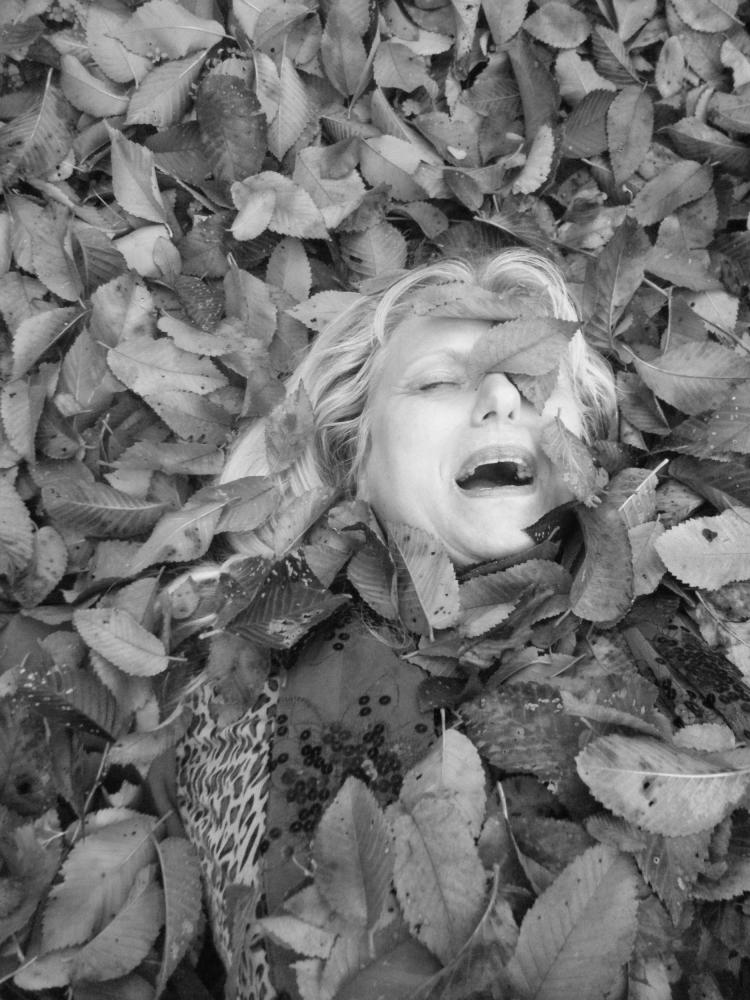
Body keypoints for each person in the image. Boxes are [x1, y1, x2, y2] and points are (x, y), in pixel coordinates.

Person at [166, 249, 618, 999]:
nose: (502, 396)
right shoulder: (237, 666)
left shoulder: (708, 625)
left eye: (537, 380)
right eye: (439, 381)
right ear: (355, 458)